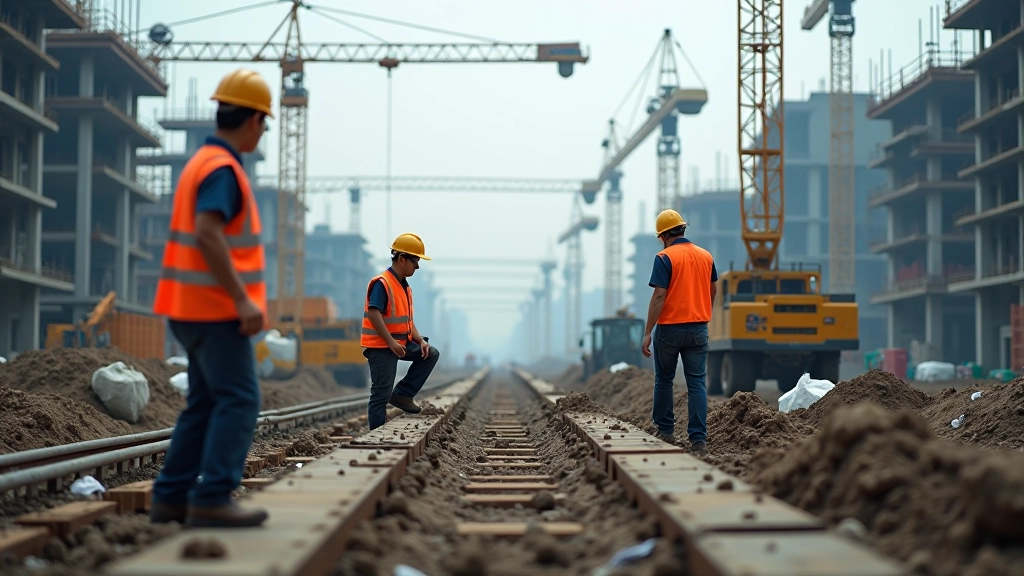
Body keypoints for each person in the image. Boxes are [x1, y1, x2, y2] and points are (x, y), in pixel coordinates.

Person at [149, 68, 273, 528]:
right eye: (265, 123)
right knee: (240, 399)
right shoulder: (223, 170)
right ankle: (214, 496)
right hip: (214, 310)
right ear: (254, 121)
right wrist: (242, 299)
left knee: (203, 403)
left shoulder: (200, 162)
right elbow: (207, 232)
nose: (263, 132)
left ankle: (171, 497)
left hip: (187, 307)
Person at [641, 209, 718, 453]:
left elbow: (659, 296)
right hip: (698, 329)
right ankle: (698, 439)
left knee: (664, 379)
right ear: (683, 229)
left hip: (670, 329)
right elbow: (713, 288)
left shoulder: (664, 258)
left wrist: (647, 332)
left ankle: (665, 432)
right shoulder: (706, 256)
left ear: (663, 235)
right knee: (697, 382)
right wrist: (704, 311)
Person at [361, 233, 441, 430]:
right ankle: (376, 436)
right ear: (402, 259)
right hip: (381, 346)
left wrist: (420, 340)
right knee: (380, 394)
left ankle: (403, 394)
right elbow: (373, 313)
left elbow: (407, 322)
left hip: (400, 344)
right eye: (415, 261)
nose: (418, 266)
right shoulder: (383, 283)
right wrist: (391, 343)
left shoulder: (404, 287)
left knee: (430, 354)